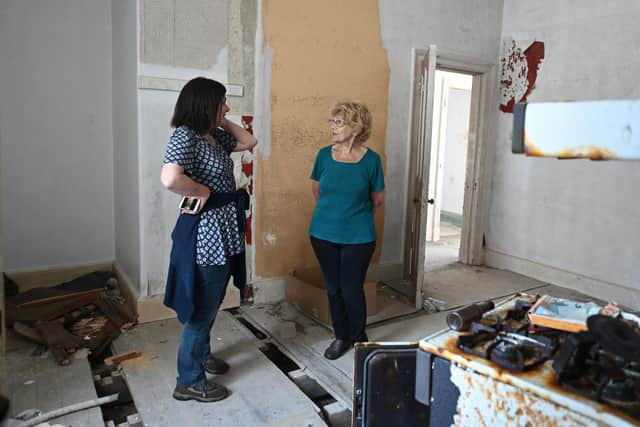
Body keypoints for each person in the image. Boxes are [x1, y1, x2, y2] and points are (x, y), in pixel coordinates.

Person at [160, 77, 257, 402]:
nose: (228, 107)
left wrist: (220, 118)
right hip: (206, 235)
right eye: (222, 102)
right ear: (205, 104)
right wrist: (201, 190)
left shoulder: (212, 135)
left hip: (223, 231)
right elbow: (170, 177)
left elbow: (249, 141)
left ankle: (200, 356)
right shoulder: (185, 135)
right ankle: (188, 380)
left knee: (212, 301)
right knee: (202, 310)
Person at [309, 100, 385, 360]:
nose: (332, 126)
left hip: (359, 237)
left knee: (352, 288)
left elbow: (377, 198)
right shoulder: (323, 155)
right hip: (322, 234)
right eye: (332, 121)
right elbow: (317, 191)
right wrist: (335, 216)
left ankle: (359, 337)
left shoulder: (372, 160)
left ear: (356, 126)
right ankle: (341, 336)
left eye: (338, 122)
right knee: (333, 288)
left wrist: (351, 218)